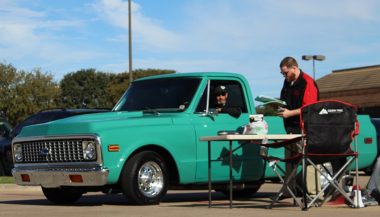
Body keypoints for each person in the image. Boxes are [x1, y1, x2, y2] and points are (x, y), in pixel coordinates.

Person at [277, 56, 320, 199]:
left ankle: (314, 194)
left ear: (294, 68)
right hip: (290, 130)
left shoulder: (307, 82)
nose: (284, 76)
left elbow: (309, 108)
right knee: (290, 161)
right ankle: (288, 190)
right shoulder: (287, 82)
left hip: (305, 130)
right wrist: (279, 107)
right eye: (283, 74)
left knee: (308, 161)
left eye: (286, 73)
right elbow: (285, 101)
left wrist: (289, 114)